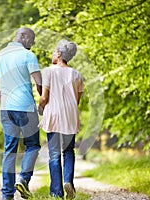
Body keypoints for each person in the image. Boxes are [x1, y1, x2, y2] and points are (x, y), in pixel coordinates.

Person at [0, 27, 42, 200]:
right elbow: (40, 84)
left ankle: (7, 194)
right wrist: (44, 102)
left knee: (9, 150)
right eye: (31, 40)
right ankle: (24, 179)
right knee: (33, 145)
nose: (32, 44)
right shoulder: (28, 56)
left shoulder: (0, 55)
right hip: (26, 108)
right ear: (23, 37)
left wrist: (3, 99)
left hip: (6, 109)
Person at [38, 39, 84, 199]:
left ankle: (56, 192)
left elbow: (44, 97)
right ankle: (68, 181)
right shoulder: (77, 74)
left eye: (53, 52)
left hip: (54, 115)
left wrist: (40, 107)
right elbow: (76, 101)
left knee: (54, 154)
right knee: (69, 151)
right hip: (70, 116)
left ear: (58, 54)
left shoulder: (49, 71)